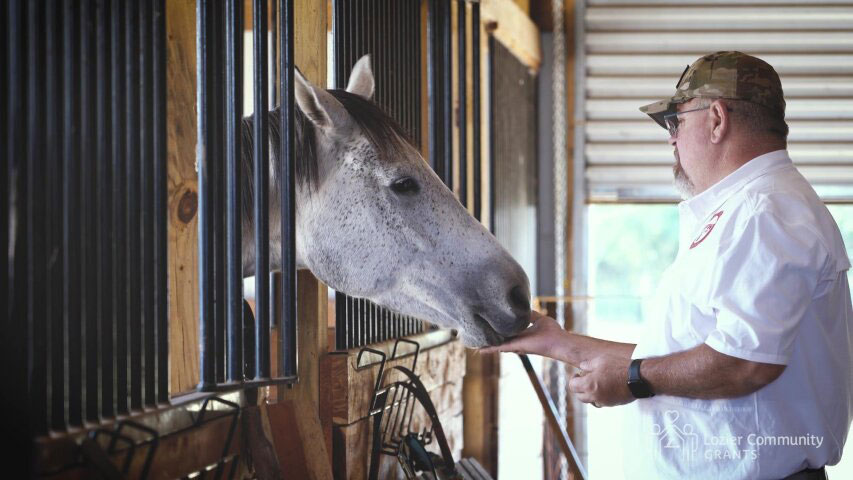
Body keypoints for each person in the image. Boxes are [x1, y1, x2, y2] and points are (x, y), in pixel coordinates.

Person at [482, 51, 853, 479]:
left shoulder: (763, 212)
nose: (670, 139)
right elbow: (695, 354)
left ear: (716, 119)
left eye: (675, 121)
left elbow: (746, 362)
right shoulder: (745, 211)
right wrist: (561, 343)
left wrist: (633, 379)